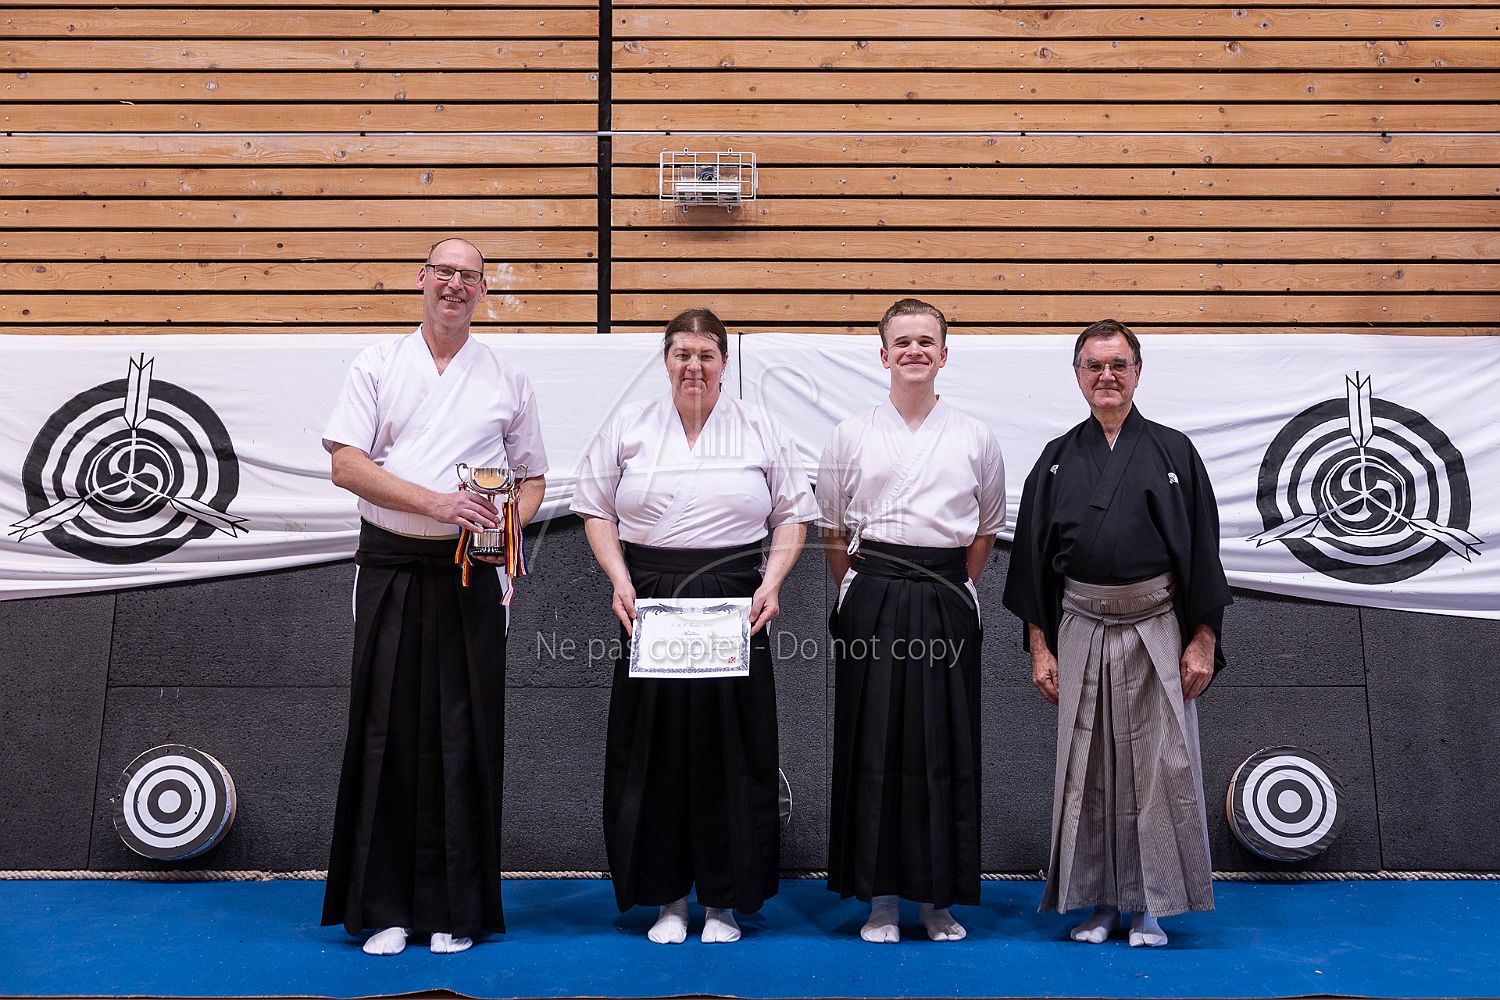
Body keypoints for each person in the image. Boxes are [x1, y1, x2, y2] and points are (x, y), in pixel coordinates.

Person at [320, 237, 548, 956]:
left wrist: (503, 526)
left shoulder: (507, 376)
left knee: (464, 731)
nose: (454, 285)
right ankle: (386, 907)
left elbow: (533, 478)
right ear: (421, 279)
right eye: (443, 272)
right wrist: (436, 502)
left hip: (470, 574)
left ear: (483, 290)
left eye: (468, 276)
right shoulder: (377, 363)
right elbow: (346, 464)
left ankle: (457, 907)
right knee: (386, 726)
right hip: (392, 562)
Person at [571, 308, 816, 945]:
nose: (694, 367)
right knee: (654, 750)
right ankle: (669, 899)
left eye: (706, 355)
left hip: (735, 599)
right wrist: (619, 579)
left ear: (724, 363)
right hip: (649, 599)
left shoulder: (760, 426)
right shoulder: (630, 423)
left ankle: (725, 902)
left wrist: (772, 582)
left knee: (731, 749)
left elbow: (793, 514)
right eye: (682, 354)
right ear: (665, 360)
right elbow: (595, 508)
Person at [1002, 318, 1229, 948]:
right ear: (1078, 376)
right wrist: (1039, 647)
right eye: (1094, 366)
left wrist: (1203, 639)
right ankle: (1099, 903)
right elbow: (1031, 562)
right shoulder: (1056, 459)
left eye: (1118, 365)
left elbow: (1204, 552)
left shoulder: (1174, 451)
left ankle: (1150, 906)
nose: (1107, 376)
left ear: (1137, 372)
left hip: (1157, 622)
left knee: (1159, 767)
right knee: (1088, 769)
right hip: (1080, 623)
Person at [817, 298, 1006, 943]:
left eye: (926, 341)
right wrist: (857, 590)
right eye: (902, 342)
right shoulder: (850, 434)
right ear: (884, 354)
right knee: (873, 744)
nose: (914, 351)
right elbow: (833, 529)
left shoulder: (975, 436)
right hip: (873, 590)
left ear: (944, 354)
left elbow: (985, 529)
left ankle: (937, 901)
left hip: (946, 592)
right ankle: (880, 901)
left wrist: (955, 588)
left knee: (944, 744)